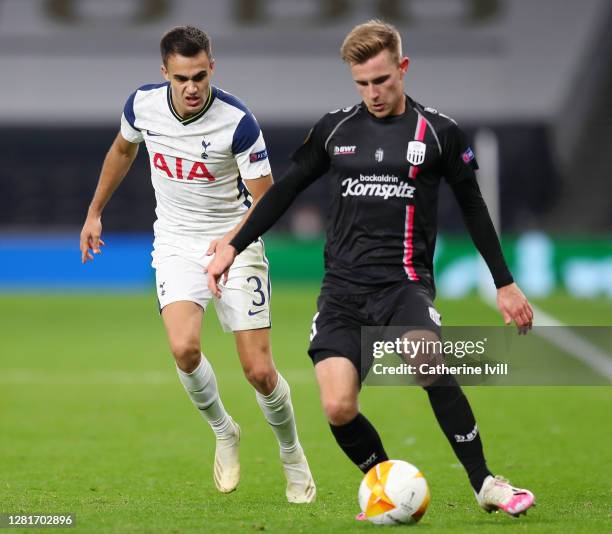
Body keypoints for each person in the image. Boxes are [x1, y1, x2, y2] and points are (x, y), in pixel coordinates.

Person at [207, 20, 535, 518]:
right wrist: (234, 243)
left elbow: (473, 207)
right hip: (342, 291)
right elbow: (285, 190)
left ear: (402, 69)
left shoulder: (438, 133)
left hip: (403, 284)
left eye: (381, 80)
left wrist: (504, 282)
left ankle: (485, 481)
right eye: (362, 83)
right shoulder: (335, 129)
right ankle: (385, 486)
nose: (373, 93)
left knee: (425, 357)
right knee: (338, 406)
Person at [79, 25, 315, 504]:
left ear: (213, 69)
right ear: (164, 72)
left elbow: (266, 200)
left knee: (259, 372)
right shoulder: (141, 106)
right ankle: (225, 431)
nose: (192, 87)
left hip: (237, 241)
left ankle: (292, 455)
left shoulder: (239, 122)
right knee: (184, 349)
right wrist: (94, 211)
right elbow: (123, 151)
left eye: (200, 76)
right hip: (174, 242)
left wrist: (231, 243)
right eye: (182, 77)